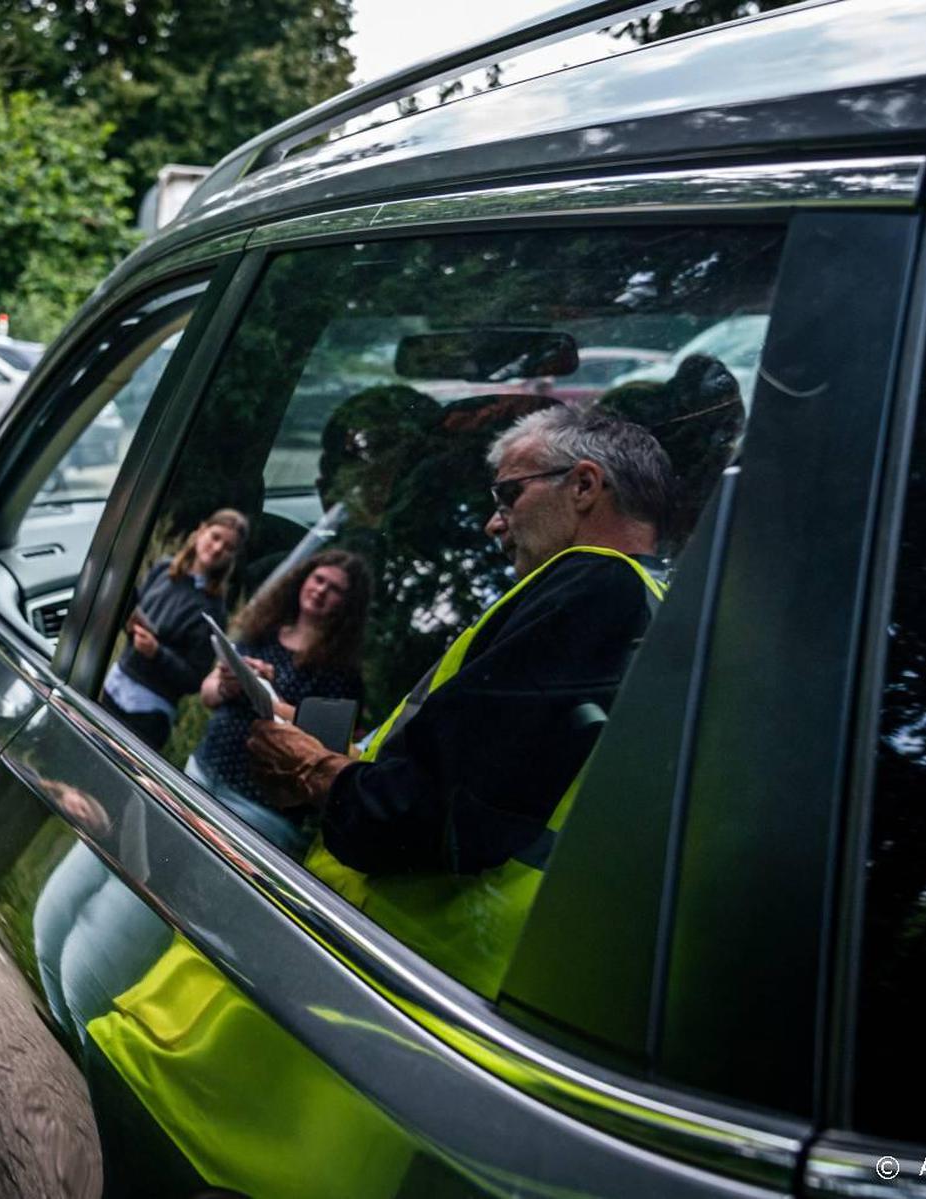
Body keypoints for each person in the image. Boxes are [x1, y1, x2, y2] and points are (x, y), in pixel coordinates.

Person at [247, 406, 675, 997]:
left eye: (508, 496)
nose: (493, 526)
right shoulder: (660, 602)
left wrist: (314, 770)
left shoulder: (595, 586)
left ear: (583, 485)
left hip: (401, 967)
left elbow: (423, 812)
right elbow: (504, 769)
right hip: (461, 984)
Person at [187, 549, 370, 856]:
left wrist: (267, 693)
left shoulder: (343, 674)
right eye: (319, 579)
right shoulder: (263, 632)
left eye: (335, 588)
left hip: (255, 812)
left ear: (348, 605)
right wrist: (227, 686)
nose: (321, 590)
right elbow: (208, 692)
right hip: (202, 771)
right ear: (303, 579)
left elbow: (324, 746)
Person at [98, 508, 248, 751]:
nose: (219, 548)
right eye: (215, 536)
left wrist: (157, 652)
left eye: (229, 547)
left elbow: (193, 679)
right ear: (201, 531)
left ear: (233, 557)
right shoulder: (164, 569)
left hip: (147, 713)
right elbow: (134, 615)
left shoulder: (213, 609)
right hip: (114, 684)